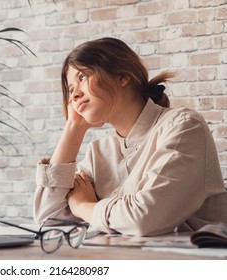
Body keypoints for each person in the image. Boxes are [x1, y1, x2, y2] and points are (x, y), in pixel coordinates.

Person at [33, 37, 227, 236]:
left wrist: (83, 206)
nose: (74, 95)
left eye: (82, 77)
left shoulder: (183, 127)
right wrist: (74, 127)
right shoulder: (98, 153)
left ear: (122, 77)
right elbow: (48, 219)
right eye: (71, 89)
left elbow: (145, 218)